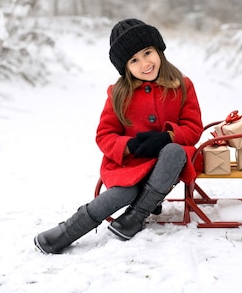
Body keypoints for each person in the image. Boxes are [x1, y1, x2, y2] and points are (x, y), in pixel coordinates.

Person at [34, 18, 203, 254]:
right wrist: (130, 146)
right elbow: (104, 135)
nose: (144, 63)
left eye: (147, 53)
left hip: (167, 164)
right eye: (134, 60)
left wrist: (168, 137)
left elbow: (194, 128)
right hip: (131, 164)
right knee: (125, 191)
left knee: (174, 152)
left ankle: (136, 216)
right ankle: (68, 231)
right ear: (125, 67)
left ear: (159, 50)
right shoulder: (119, 94)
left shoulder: (182, 86)